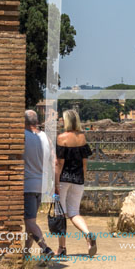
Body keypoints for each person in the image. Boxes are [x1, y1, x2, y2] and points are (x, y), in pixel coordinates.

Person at [55, 109, 97, 257]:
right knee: (74, 213)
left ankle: (62, 248)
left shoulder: (62, 138)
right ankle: (87, 234)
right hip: (78, 179)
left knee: (60, 213)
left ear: (66, 121)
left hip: (64, 179)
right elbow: (85, 163)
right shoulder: (82, 138)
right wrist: (82, 178)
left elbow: (59, 164)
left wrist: (55, 184)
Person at [23, 110, 55, 263]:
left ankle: (45, 248)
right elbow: (53, 161)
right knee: (31, 221)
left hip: (28, 184)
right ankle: (26, 253)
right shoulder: (46, 138)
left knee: (29, 222)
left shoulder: (23, 136)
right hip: (41, 185)